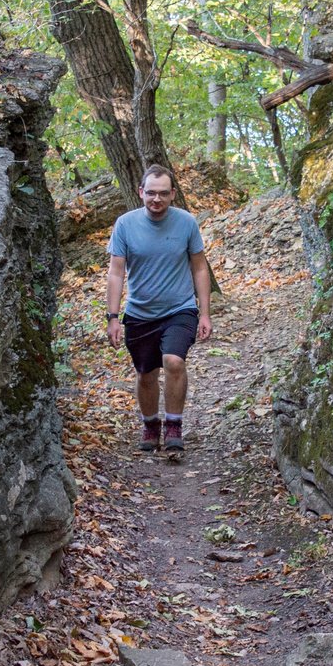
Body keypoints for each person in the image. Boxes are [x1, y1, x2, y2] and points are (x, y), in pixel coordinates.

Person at [105, 164, 213, 453]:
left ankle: (174, 425)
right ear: (141, 192)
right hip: (140, 313)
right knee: (146, 374)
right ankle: (151, 425)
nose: (157, 199)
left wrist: (204, 313)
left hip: (180, 309)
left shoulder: (186, 223)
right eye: (151, 193)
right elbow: (116, 272)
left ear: (173, 194)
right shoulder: (125, 224)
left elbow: (200, 267)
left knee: (174, 361)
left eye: (163, 193)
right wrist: (113, 317)